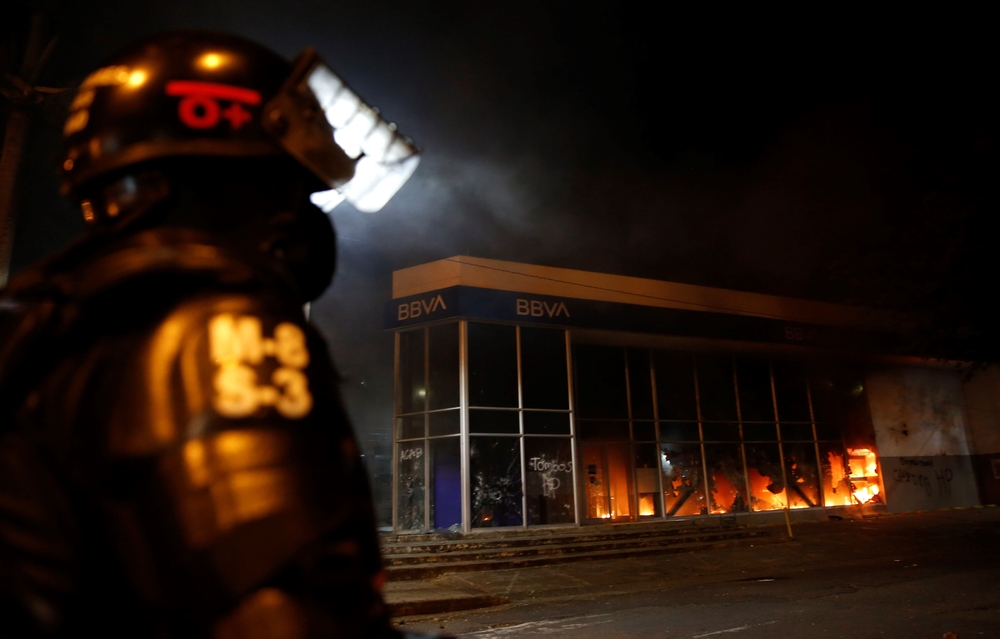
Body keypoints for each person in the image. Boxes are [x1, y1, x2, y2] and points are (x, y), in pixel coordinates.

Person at [0, 31, 428, 638]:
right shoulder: (214, 326)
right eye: (295, 185)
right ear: (240, 175)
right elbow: (281, 610)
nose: (304, 211)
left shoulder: (63, 319)